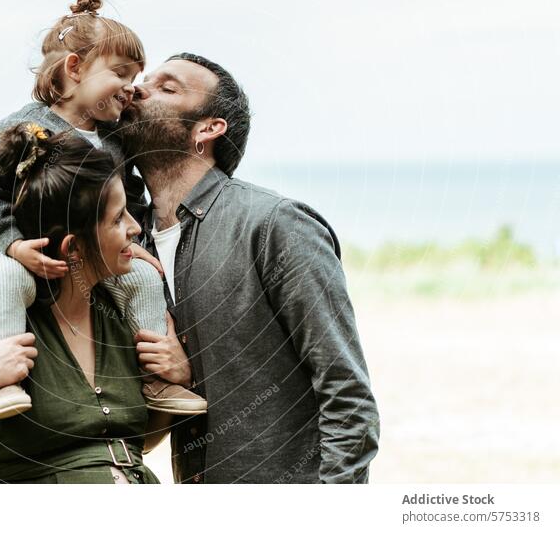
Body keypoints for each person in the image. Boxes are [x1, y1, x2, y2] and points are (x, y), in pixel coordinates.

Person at [118, 53, 381, 483]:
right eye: (143, 81)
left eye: (167, 87)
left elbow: (348, 396)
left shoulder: (275, 225)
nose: (137, 89)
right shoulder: (129, 247)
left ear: (208, 128)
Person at [0, 0, 205, 420]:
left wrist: (131, 244)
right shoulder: (22, 129)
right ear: (74, 68)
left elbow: (129, 199)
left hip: (89, 250)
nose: (131, 88)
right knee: (8, 284)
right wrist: (15, 245)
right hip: (19, 244)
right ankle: (4, 382)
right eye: (120, 74)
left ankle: (153, 377)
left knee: (143, 281)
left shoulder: (113, 138)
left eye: (135, 79)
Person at [0, 128, 192, 483]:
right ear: (72, 248)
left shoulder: (121, 312)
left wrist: (177, 373)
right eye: (118, 219)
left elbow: (136, 441)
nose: (135, 228)